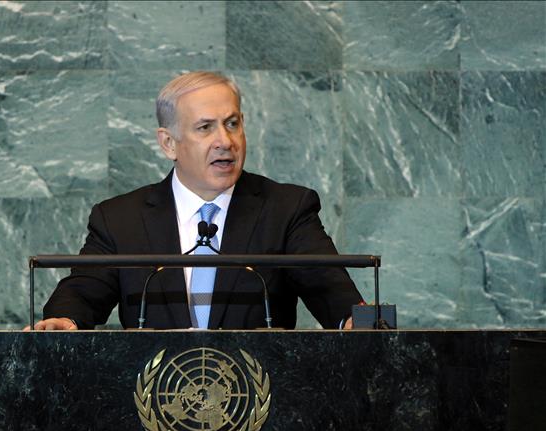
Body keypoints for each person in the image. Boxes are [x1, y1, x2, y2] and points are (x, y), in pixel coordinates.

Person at [30, 71, 362, 331]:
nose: (225, 141)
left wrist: (355, 321)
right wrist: (65, 320)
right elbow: (83, 289)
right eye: (205, 128)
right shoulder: (120, 219)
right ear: (168, 144)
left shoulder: (286, 209)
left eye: (232, 124)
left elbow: (331, 289)